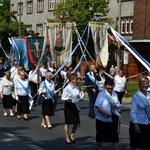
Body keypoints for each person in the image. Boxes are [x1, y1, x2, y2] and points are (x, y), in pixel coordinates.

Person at [94, 78, 121, 150]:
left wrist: (115, 106)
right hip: (102, 119)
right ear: (105, 86)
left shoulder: (115, 94)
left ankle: (116, 148)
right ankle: (99, 148)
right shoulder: (101, 94)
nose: (110, 87)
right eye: (108, 85)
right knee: (100, 136)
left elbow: (118, 104)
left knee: (115, 136)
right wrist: (105, 113)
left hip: (112, 119)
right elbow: (97, 105)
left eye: (111, 85)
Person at [61, 73, 84, 144]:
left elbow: (78, 97)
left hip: (75, 105)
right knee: (67, 122)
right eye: (76, 79)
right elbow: (62, 97)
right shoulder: (67, 88)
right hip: (68, 105)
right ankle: (66, 137)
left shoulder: (76, 87)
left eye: (77, 79)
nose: (77, 80)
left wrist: (82, 91)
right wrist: (68, 98)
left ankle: (72, 134)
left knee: (76, 122)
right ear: (72, 79)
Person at [129, 76, 150, 150]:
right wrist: (136, 125)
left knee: (146, 145)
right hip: (138, 124)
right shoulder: (136, 96)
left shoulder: (149, 95)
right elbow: (133, 112)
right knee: (134, 145)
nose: (145, 85)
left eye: (147, 83)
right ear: (139, 84)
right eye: (143, 83)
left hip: (147, 123)